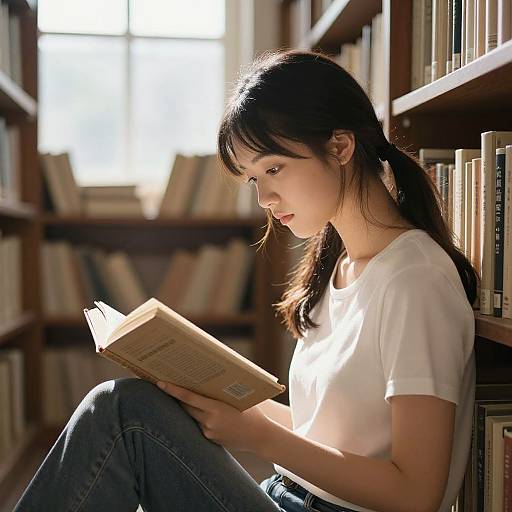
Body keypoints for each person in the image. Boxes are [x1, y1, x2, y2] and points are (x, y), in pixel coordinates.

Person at [15, 49, 478, 512]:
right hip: (286, 496)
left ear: (340, 147)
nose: (265, 198)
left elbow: (416, 494)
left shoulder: (415, 279)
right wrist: (218, 404)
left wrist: (260, 437)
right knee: (138, 405)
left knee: (121, 413)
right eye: (253, 179)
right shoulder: (340, 266)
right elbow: (331, 434)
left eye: (273, 168)